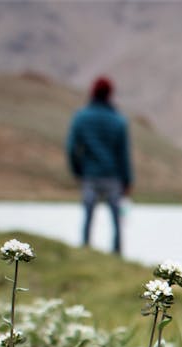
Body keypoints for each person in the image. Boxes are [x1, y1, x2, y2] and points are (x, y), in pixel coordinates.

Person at [66, 76, 132, 255]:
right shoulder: (118, 120)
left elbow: (72, 148)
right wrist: (127, 181)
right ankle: (117, 253)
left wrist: (78, 170)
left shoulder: (81, 117)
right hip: (113, 177)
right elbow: (123, 154)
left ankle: (85, 250)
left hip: (90, 175)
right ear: (110, 94)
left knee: (88, 217)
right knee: (116, 220)